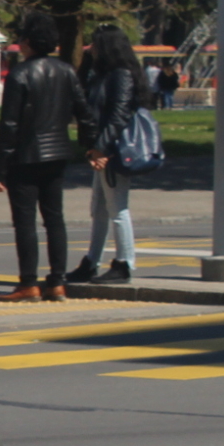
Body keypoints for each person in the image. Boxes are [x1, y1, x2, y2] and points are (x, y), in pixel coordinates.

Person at [0, 10, 91, 302]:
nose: (19, 42)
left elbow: (9, 124)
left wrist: (0, 167)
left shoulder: (20, 74)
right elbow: (84, 112)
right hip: (58, 152)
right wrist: (92, 145)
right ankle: (57, 281)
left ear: (29, 41)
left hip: (26, 155)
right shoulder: (66, 71)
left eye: (21, 37)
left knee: (25, 221)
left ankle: (28, 283)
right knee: (54, 218)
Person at [69, 25, 149, 286]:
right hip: (102, 149)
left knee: (117, 209)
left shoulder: (121, 75)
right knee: (100, 209)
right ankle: (92, 261)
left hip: (114, 151)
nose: (92, 49)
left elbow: (118, 115)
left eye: (96, 44)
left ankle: (124, 262)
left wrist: (101, 148)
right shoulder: (103, 74)